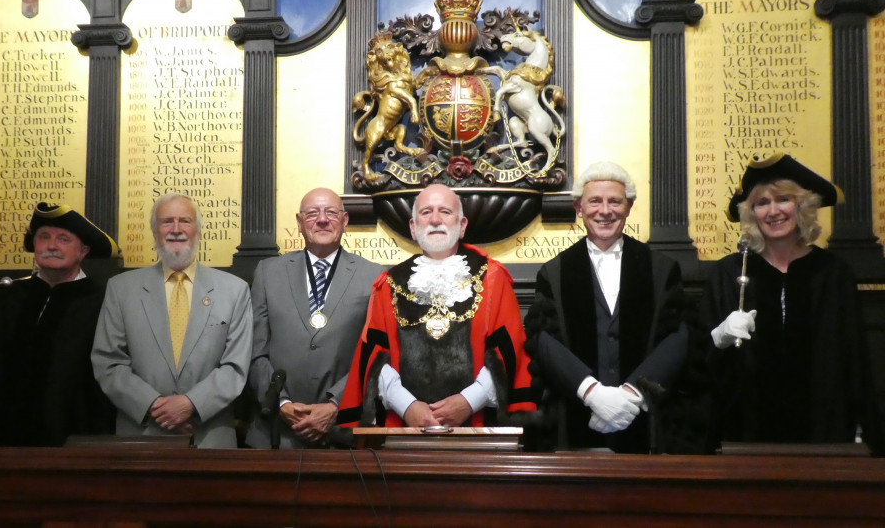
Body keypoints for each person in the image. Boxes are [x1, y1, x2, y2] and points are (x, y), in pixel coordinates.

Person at [701, 152, 883, 455]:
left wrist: (873, 438)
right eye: (762, 203)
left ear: (802, 206)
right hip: (743, 435)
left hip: (824, 434)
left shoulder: (832, 273)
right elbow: (699, 359)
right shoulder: (732, 272)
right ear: (751, 213)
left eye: (783, 199)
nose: (773, 211)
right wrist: (718, 338)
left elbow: (855, 358)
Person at [337, 184, 535, 429]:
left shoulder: (493, 279)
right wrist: (407, 406)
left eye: (445, 212)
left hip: (478, 429)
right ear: (413, 227)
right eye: (426, 212)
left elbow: (509, 353)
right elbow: (374, 359)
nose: (435, 220)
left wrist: (468, 402)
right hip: (403, 430)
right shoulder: (388, 285)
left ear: (462, 226)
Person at [524, 161, 688, 453]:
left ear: (628, 207)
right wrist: (592, 393)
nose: (605, 210)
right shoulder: (555, 272)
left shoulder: (661, 269)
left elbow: (677, 336)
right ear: (579, 208)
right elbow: (544, 340)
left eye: (615, 201)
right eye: (595, 201)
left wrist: (633, 393)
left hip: (644, 419)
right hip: (576, 418)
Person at [0, 202, 119, 446]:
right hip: (2, 440)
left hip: (72, 439)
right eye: (43, 237)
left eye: (64, 239)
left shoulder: (103, 302)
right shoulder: (7, 297)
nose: (51, 246)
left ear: (83, 251)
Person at [91, 193, 252, 448]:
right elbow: (108, 362)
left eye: (184, 221)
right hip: (141, 436)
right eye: (167, 222)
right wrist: (155, 406)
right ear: (154, 231)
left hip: (210, 438)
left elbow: (236, 367)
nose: (176, 230)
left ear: (198, 230)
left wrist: (190, 404)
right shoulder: (121, 289)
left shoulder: (234, 290)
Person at [245, 188, 385, 448]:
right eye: (312, 213)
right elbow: (255, 351)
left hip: (345, 434)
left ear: (344, 222)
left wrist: (335, 405)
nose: (322, 219)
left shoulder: (374, 276)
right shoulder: (268, 273)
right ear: (299, 223)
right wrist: (282, 403)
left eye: (331, 212)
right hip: (276, 433)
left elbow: (377, 353)